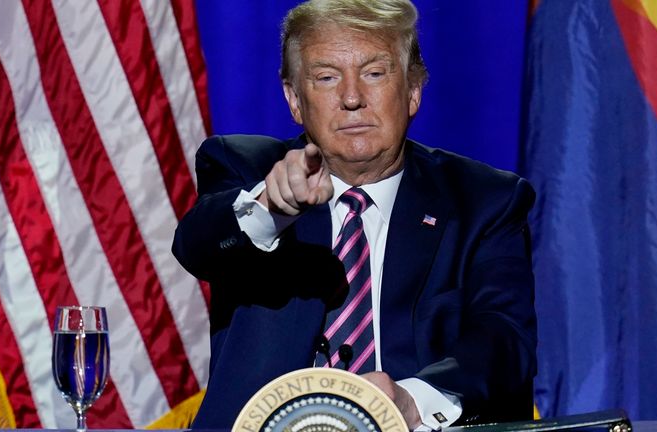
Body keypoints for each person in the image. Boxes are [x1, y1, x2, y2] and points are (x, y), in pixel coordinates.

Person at [172, 0, 536, 429]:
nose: (351, 98)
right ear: (294, 99)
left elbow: (504, 337)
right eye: (326, 78)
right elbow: (197, 246)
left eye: (374, 73)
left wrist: (411, 402)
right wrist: (271, 208)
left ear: (414, 89)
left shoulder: (484, 200)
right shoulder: (246, 169)